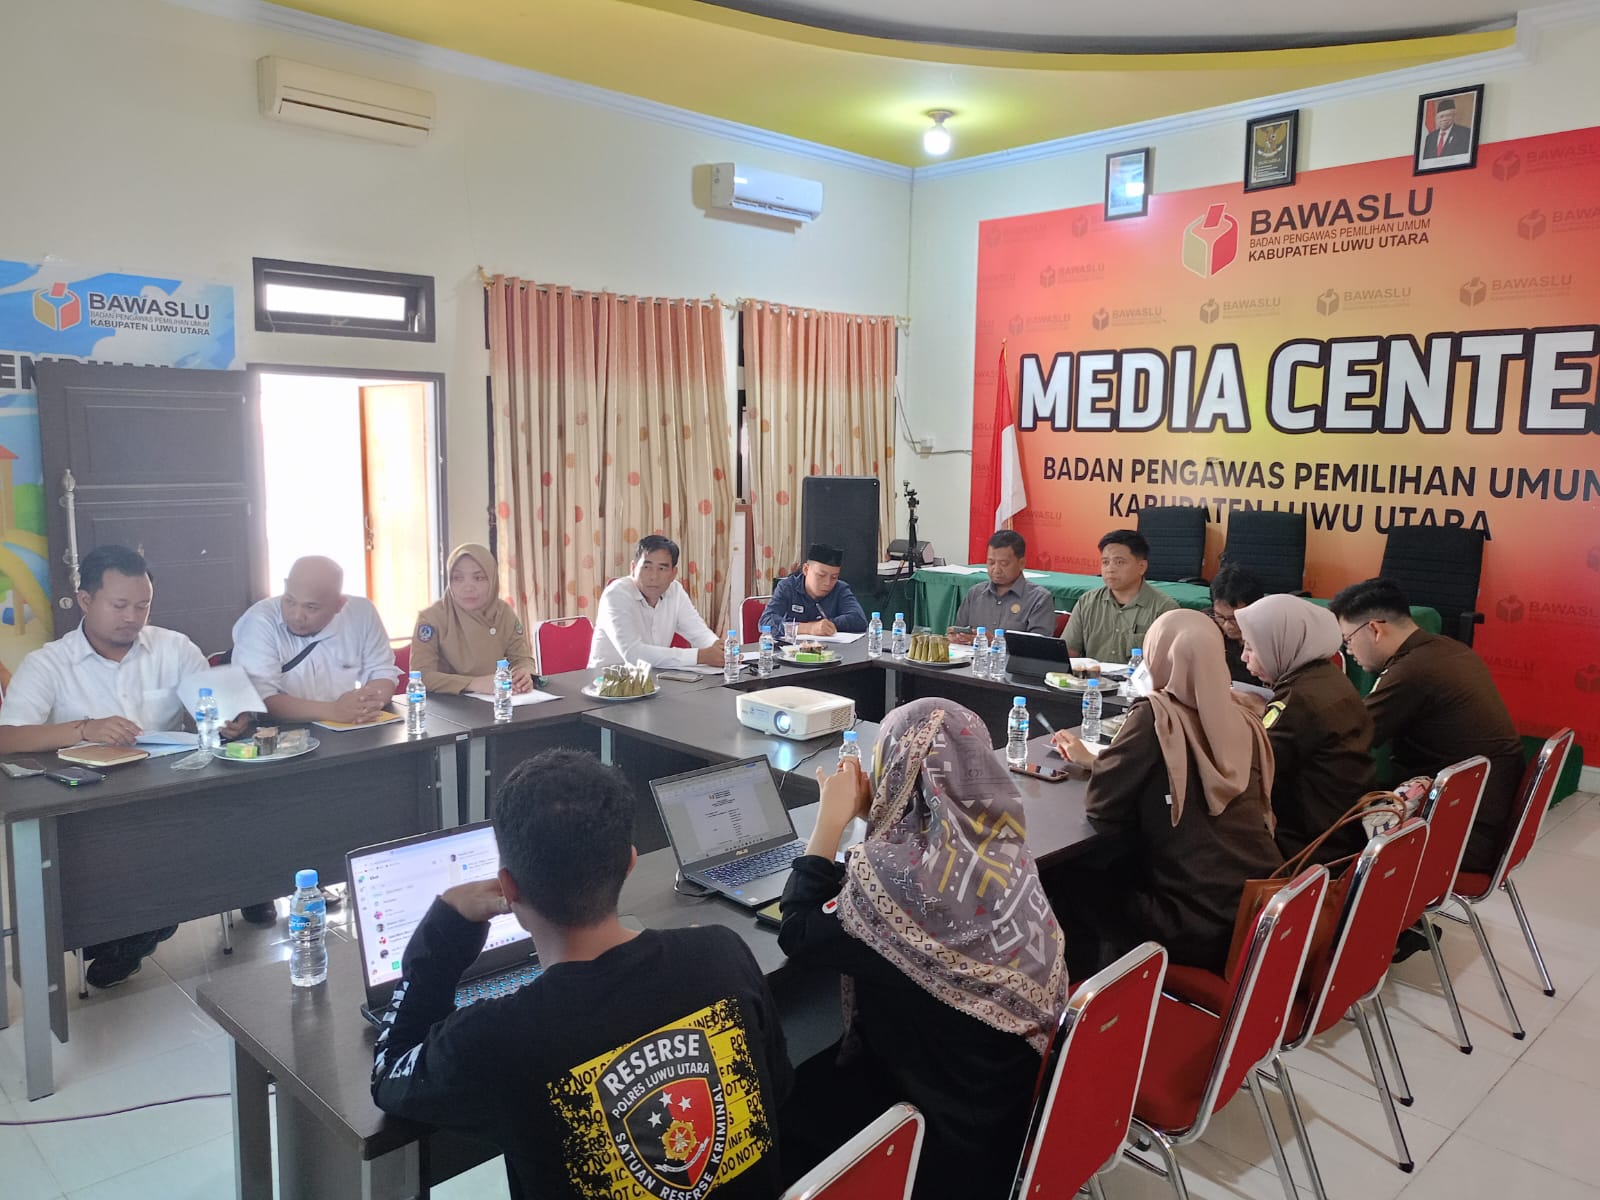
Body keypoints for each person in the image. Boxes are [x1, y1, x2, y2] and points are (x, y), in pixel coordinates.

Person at [372, 748, 791, 1199]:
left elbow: (390, 1068)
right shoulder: (722, 952)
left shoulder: (494, 1038)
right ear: (630, 863)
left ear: (509, 888)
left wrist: (445, 928)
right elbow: (778, 1086)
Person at [779, 699, 1069, 1200]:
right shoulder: (1006, 853)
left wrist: (830, 823)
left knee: (785, 1100)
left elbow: (800, 930)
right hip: (1006, 1121)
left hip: (941, 1146)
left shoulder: (900, 883)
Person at [0, 545, 246, 986]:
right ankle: (125, 928)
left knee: (210, 833)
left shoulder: (174, 648)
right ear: (86, 601)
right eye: (120, 605)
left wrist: (232, 720)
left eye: (143, 605)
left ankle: (137, 929)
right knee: (127, 860)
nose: (133, 616)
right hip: (90, 807)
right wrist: (84, 729)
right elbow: (8, 737)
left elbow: (224, 710)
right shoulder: (48, 663)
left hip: (172, 795)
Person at [1051, 608, 1281, 976]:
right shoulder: (1246, 717)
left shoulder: (1158, 716)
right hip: (1258, 910)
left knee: (1065, 878)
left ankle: (1088, 1010)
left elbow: (1102, 806)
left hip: (1191, 921)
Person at [1329, 578, 1523, 874]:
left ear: (1374, 629)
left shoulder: (1412, 670)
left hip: (1464, 832)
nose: (1349, 651)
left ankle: (1364, 916)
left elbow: (1350, 736)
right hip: (1484, 812)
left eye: (1348, 639)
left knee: (1328, 824)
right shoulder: (1447, 649)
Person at [1235, 594, 1375, 862]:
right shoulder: (1326, 676)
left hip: (1308, 849)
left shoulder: (1298, 700)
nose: (1244, 657)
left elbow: (1252, 766)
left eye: (1252, 648)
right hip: (1343, 833)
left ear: (1282, 643)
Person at [231, 556, 399, 725]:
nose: (297, 616)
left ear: (339, 605)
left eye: (311, 607)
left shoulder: (361, 613)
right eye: (289, 601)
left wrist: (363, 706)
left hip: (347, 726)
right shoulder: (260, 621)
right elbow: (259, 698)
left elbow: (382, 671)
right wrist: (334, 710)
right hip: (281, 732)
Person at [410, 544, 538, 695]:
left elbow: (522, 658)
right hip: (447, 707)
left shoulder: (503, 613)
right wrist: (473, 683)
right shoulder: (431, 619)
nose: (468, 587)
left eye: (478, 578)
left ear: (492, 579)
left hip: (498, 702)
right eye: (457, 578)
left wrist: (523, 673)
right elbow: (422, 676)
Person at [589, 535, 723, 669]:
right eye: (647, 567)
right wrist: (700, 656)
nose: (653, 576)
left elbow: (699, 633)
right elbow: (633, 654)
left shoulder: (675, 591)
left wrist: (719, 650)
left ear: (673, 573)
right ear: (633, 567)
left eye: (662, 568)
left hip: (653, 681)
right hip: (605, 683)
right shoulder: (616, 594)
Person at [1063, 529, 1179, 663]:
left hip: (1138, 683)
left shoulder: (1164, 609)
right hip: (1092, 681)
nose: (1110, 569)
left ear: (1141, 567)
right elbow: (1069, 652)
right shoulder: (1087, 602)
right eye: (1105, 562)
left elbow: (1167, 666)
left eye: (1119, 562)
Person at [948, 529, 1055, 643]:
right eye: (991, 563)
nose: (996, 569)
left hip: (1014, 661)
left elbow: (1039, 647)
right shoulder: (975, 593)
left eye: (1004, 564)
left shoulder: (1039, 599)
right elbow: (959, 632)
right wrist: (956, 637)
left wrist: (994, 642)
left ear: (1022, 563)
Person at [758, 543, 866, 637]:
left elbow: (859, 619)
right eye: (821, 575)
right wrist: (808, 628)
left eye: (834, 577)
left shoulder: (840, 589)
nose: (827, 583)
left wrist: (829, 625)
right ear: (806, 569)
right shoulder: (787, 587)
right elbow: (766, 621)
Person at [1208, 564, 1265, 685]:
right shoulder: (1208, 627)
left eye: (1234, 618)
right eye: (1220, 616)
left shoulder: (1271, 638)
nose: (1227, 626)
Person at [1422, 96, 1473, 160]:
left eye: (1448, 115)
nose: (1444, 119)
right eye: (1441, 116)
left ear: (1454, 116)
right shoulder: (1430, 137)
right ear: (1436, 118)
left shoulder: (1465, 133)